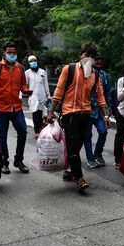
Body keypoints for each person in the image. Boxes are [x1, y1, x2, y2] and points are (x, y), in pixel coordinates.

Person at [46, 42, 110, 191]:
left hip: (86, 114)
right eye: (86, 55)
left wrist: (106, 116)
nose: (88, 58)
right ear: (81, 55)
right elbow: (59, 91)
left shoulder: (96, 74)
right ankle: (79, 178)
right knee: (73, 146)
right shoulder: (69, 69)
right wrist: (51, 112)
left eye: (91, 56)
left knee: (78, 144)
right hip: (69, 114)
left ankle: (69, 171)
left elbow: (100, 97)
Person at [0, 41, 31, 174]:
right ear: (4, 53)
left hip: (16, 107)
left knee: (22, 132)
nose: (12, 54)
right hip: (0, 108)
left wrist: (26, 91)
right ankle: (4, 162)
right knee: (2, 137)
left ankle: (19, 160)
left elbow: (23, 85)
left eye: (14, 52)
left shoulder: (20, 68)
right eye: (9, 52)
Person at [84, 54, 112, 168]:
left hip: (100, 110)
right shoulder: (86, 74)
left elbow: (108, 93)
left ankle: (98, 154)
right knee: (87, 135)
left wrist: (109, 107)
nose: (99, 64)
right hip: (87, 110)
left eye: (101, 63)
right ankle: (90, 159)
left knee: (103, 131)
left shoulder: (105, 76)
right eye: (97, 62)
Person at [25, 55, 51, 136]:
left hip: (42, 96)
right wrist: (22, 95)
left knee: (42, 114)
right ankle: (37, 131)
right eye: (31, 61)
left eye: (34, 60)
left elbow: (46, 84)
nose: (33, 62)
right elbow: (24, 85)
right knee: (35, 114)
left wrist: (48, 96)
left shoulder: (42, 72)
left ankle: (41, 130)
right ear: (29, 63)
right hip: (33, 97)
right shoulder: (27, 73)